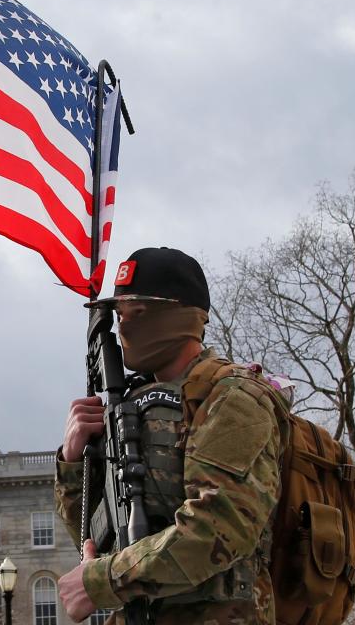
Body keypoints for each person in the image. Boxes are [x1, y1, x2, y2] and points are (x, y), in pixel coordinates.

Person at [55, 248, 284, 624]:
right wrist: (74, 460)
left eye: (137, 312)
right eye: (119, 315)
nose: (124, 326)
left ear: (180, 316)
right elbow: (97, 539)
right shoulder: (130, 407)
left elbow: (218, 529)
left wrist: (102, 581)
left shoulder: (233, 398)